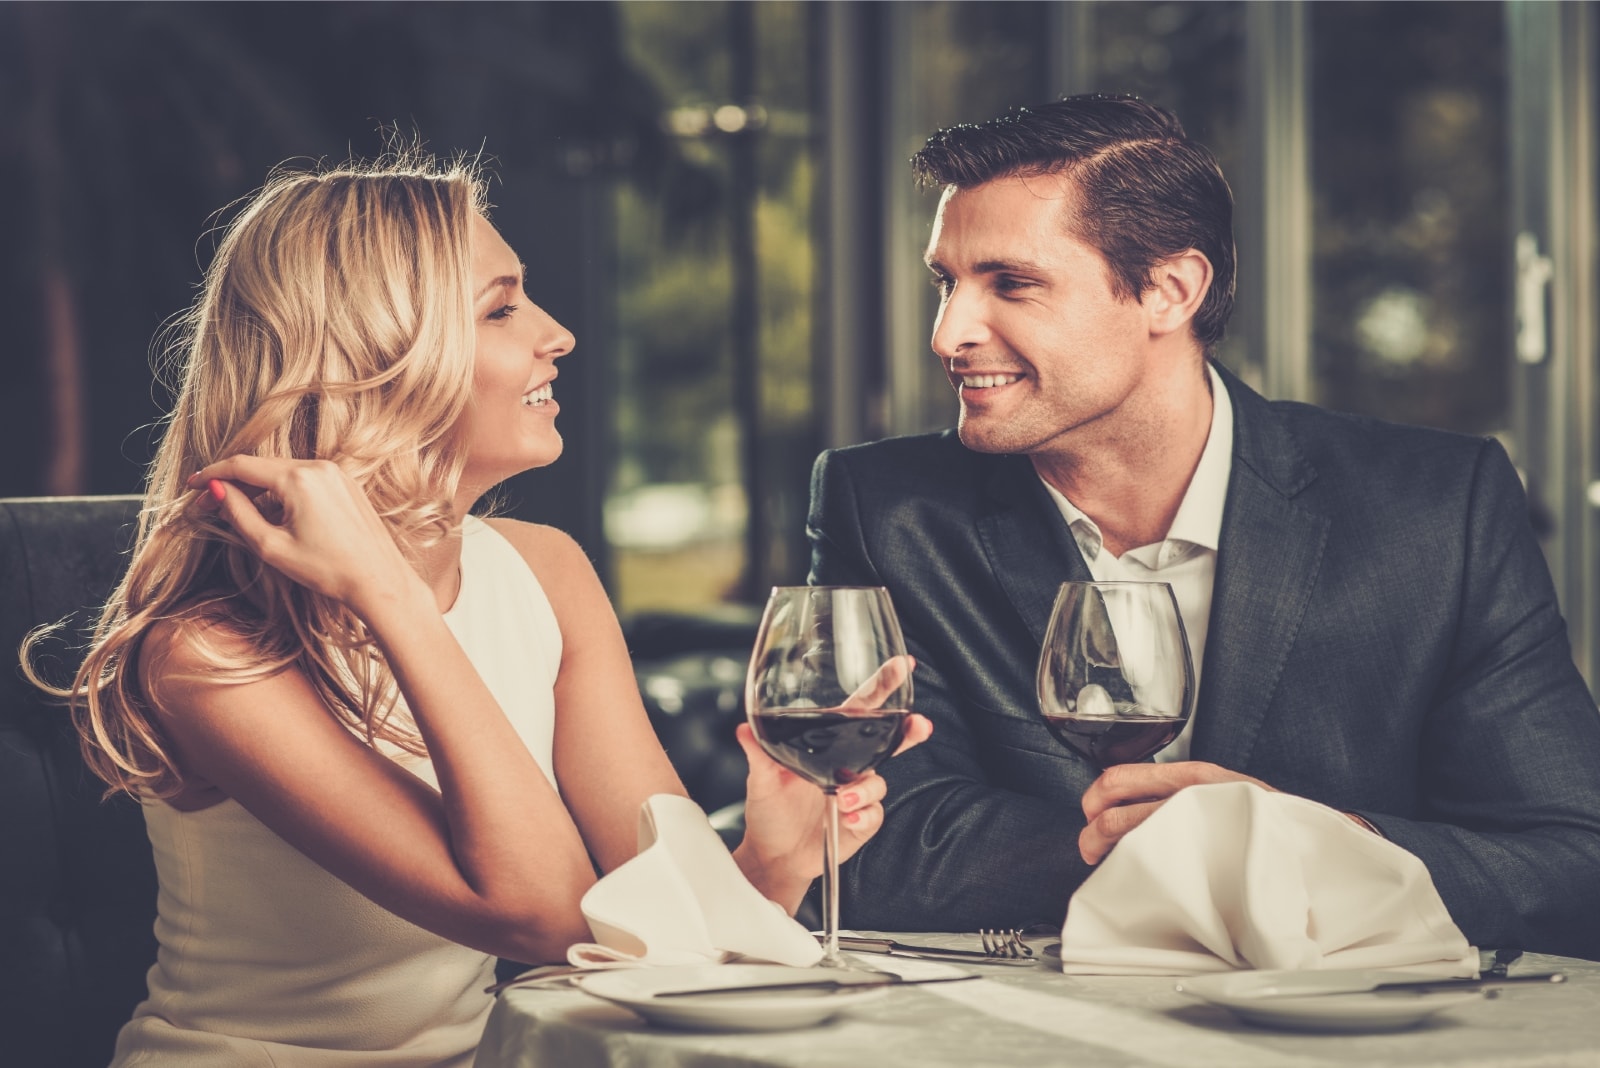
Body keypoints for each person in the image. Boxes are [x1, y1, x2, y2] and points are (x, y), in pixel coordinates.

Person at [24, 153, 930, 1066]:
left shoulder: (548, 572)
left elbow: (631, 921)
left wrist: (768, 865)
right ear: (373, 360)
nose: (559, 333)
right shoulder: (208, 651)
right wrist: (389, 593)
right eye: (501, 308)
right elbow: (538, 915)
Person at [808, 94, 1600, 960]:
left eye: (1012, 283)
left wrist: (1300, 847)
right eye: (947, 283)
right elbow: (864, 839)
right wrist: (1162, 853)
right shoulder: (884, 506)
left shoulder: (1438, 507)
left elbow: (1569, 862)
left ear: (1169, 290)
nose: (950, 331)